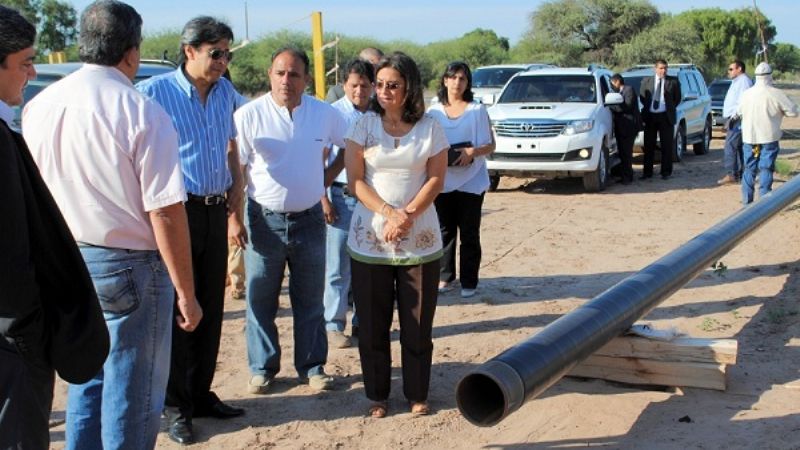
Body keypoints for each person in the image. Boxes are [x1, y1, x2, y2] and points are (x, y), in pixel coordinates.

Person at [23, 1, 203, 448]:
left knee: (87, 378)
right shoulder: (142, 112)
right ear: (131, 52)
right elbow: (164, 211)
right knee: (133, 393)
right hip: (130, 267)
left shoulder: (41, 105)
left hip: (67, 258)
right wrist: (186, 292)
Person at [0, 7, 109, 449]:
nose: (32, 72)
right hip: (13, 344)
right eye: (25, 62)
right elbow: (11, 253)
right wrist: (26, 332)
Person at [136, 16, 244, 445]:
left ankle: (200, 394)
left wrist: (237, 189)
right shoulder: (153, 93)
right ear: (189, 51)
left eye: (227, 54)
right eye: (215, 53)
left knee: (211, 308)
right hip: (175, 213)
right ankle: (175, 406)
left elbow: (232, 146)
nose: (222, 61)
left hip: (215, 210)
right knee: (181, 310)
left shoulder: (225, 93)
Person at [235, 47, 347, 394]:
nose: (287, 80)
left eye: (294, 74)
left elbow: (351, 145)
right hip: (262, 221)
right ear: (270, 75)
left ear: (306, 79)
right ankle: (262, 368)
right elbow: (236, 169)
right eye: (280, 73)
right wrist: (232, 218)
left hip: (310, 220)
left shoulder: (324, 114)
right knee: (260, 299)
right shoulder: (249, 115)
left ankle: (312, 367)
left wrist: (325, 179)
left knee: (310, 298)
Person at [344, 51, 448, 418]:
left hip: (420, 239)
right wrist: (390, 213)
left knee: (417, 325)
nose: (384, 91)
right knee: (373, 325)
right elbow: (355, 180)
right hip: (370, 238)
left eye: (393, 85)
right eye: (380, 84)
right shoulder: (363, 126)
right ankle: (377, 395)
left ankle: (417, 393)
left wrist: (407, 217)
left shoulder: (431, 127)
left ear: (409, 88)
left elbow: (436, 179)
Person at [426, 61, 494, 298]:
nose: (457, 82)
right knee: (444, 230)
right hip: (443, 179)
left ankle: (469, 280)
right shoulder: (433, 112)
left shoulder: (477, 110)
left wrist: (472, 152)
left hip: (472, 180)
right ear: (445, 80)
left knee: (469, 232)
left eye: (462, 78)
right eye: (453, 77)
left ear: (468, 83)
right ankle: (445, 277)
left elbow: (490, 144)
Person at [323, 59, 375, 348]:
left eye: (364, 86)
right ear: (344, 85)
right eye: (354, 85)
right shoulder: (332, 114)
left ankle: (362, 323)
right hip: (341, 196)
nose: (359, 91)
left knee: (366, 265)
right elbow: (320, 159)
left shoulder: (378, 112)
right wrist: (323, 199)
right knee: (338, 267)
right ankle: (333, 323)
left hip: (372, 197)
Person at [738, 62, 798, 205]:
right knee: (766, 168)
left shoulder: (746, 94)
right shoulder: (776, 93)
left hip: (749, 137)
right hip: (768, 137)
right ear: (770, 76)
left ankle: (747, 202)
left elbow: (739, 112)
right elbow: (793, 112)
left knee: (749, 169)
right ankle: (764, 202)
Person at [639, 59, 681, 180]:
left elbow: (677, 99)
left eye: (665, 68)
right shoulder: (646, 81)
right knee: (649, 146)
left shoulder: (673, 81)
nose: (664, 71)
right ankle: (647, 172)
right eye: (661, 68)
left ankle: (666, 172)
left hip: (666, 117)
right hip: (651, 117)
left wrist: (669, 108)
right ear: (655, 69)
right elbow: (643, 98)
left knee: (666, 145)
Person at [718, 59, 753, 185]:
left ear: (739, 69)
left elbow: (742, 103)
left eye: (731, 69)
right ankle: (742, 174)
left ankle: (732, 174)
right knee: (738, 147)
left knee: (730, 146)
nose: (729, 71)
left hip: (737, 119)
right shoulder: (737, 81)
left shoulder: (743, 81)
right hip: (734, 118)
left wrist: (733, 119)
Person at [609, 73, 641, 185]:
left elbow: (627, 106)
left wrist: (611, 107)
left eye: (612, 83)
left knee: (626, 152)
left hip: (629, 127)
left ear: (617, 81)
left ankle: (628, 177)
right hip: (621, 127)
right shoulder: (619, 92)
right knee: (622, 153)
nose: (612, 86)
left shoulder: (629, 90)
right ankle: (625, 175)